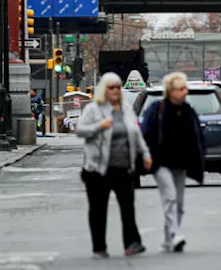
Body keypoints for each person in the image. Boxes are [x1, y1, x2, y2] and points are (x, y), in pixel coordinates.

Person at [75, 73, 150, 259]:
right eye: (111, 87)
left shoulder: (125, 109)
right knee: (99, 209)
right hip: (98, 169)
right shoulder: (94, 109)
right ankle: (99, 247)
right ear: (104, 90)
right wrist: (100, 126)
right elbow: (80, 130)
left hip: (123, 167)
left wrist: (146, 153)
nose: (115, 90)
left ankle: (132, 243)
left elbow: (135, 132)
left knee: (128, 207)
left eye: (117, 87)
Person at [140, 72, 205, 253]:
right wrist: (146, 156)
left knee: (179, 204)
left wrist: (199, 158)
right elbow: (145, 133)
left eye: (186, 88)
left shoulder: (188, 110)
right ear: (171, 91)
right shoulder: (157, 108)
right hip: (160, 163)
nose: (185, 92)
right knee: (170, 197)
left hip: (180, 163)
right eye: (181, 88)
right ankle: (176, 233)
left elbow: (197, 137)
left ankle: (167, 240)